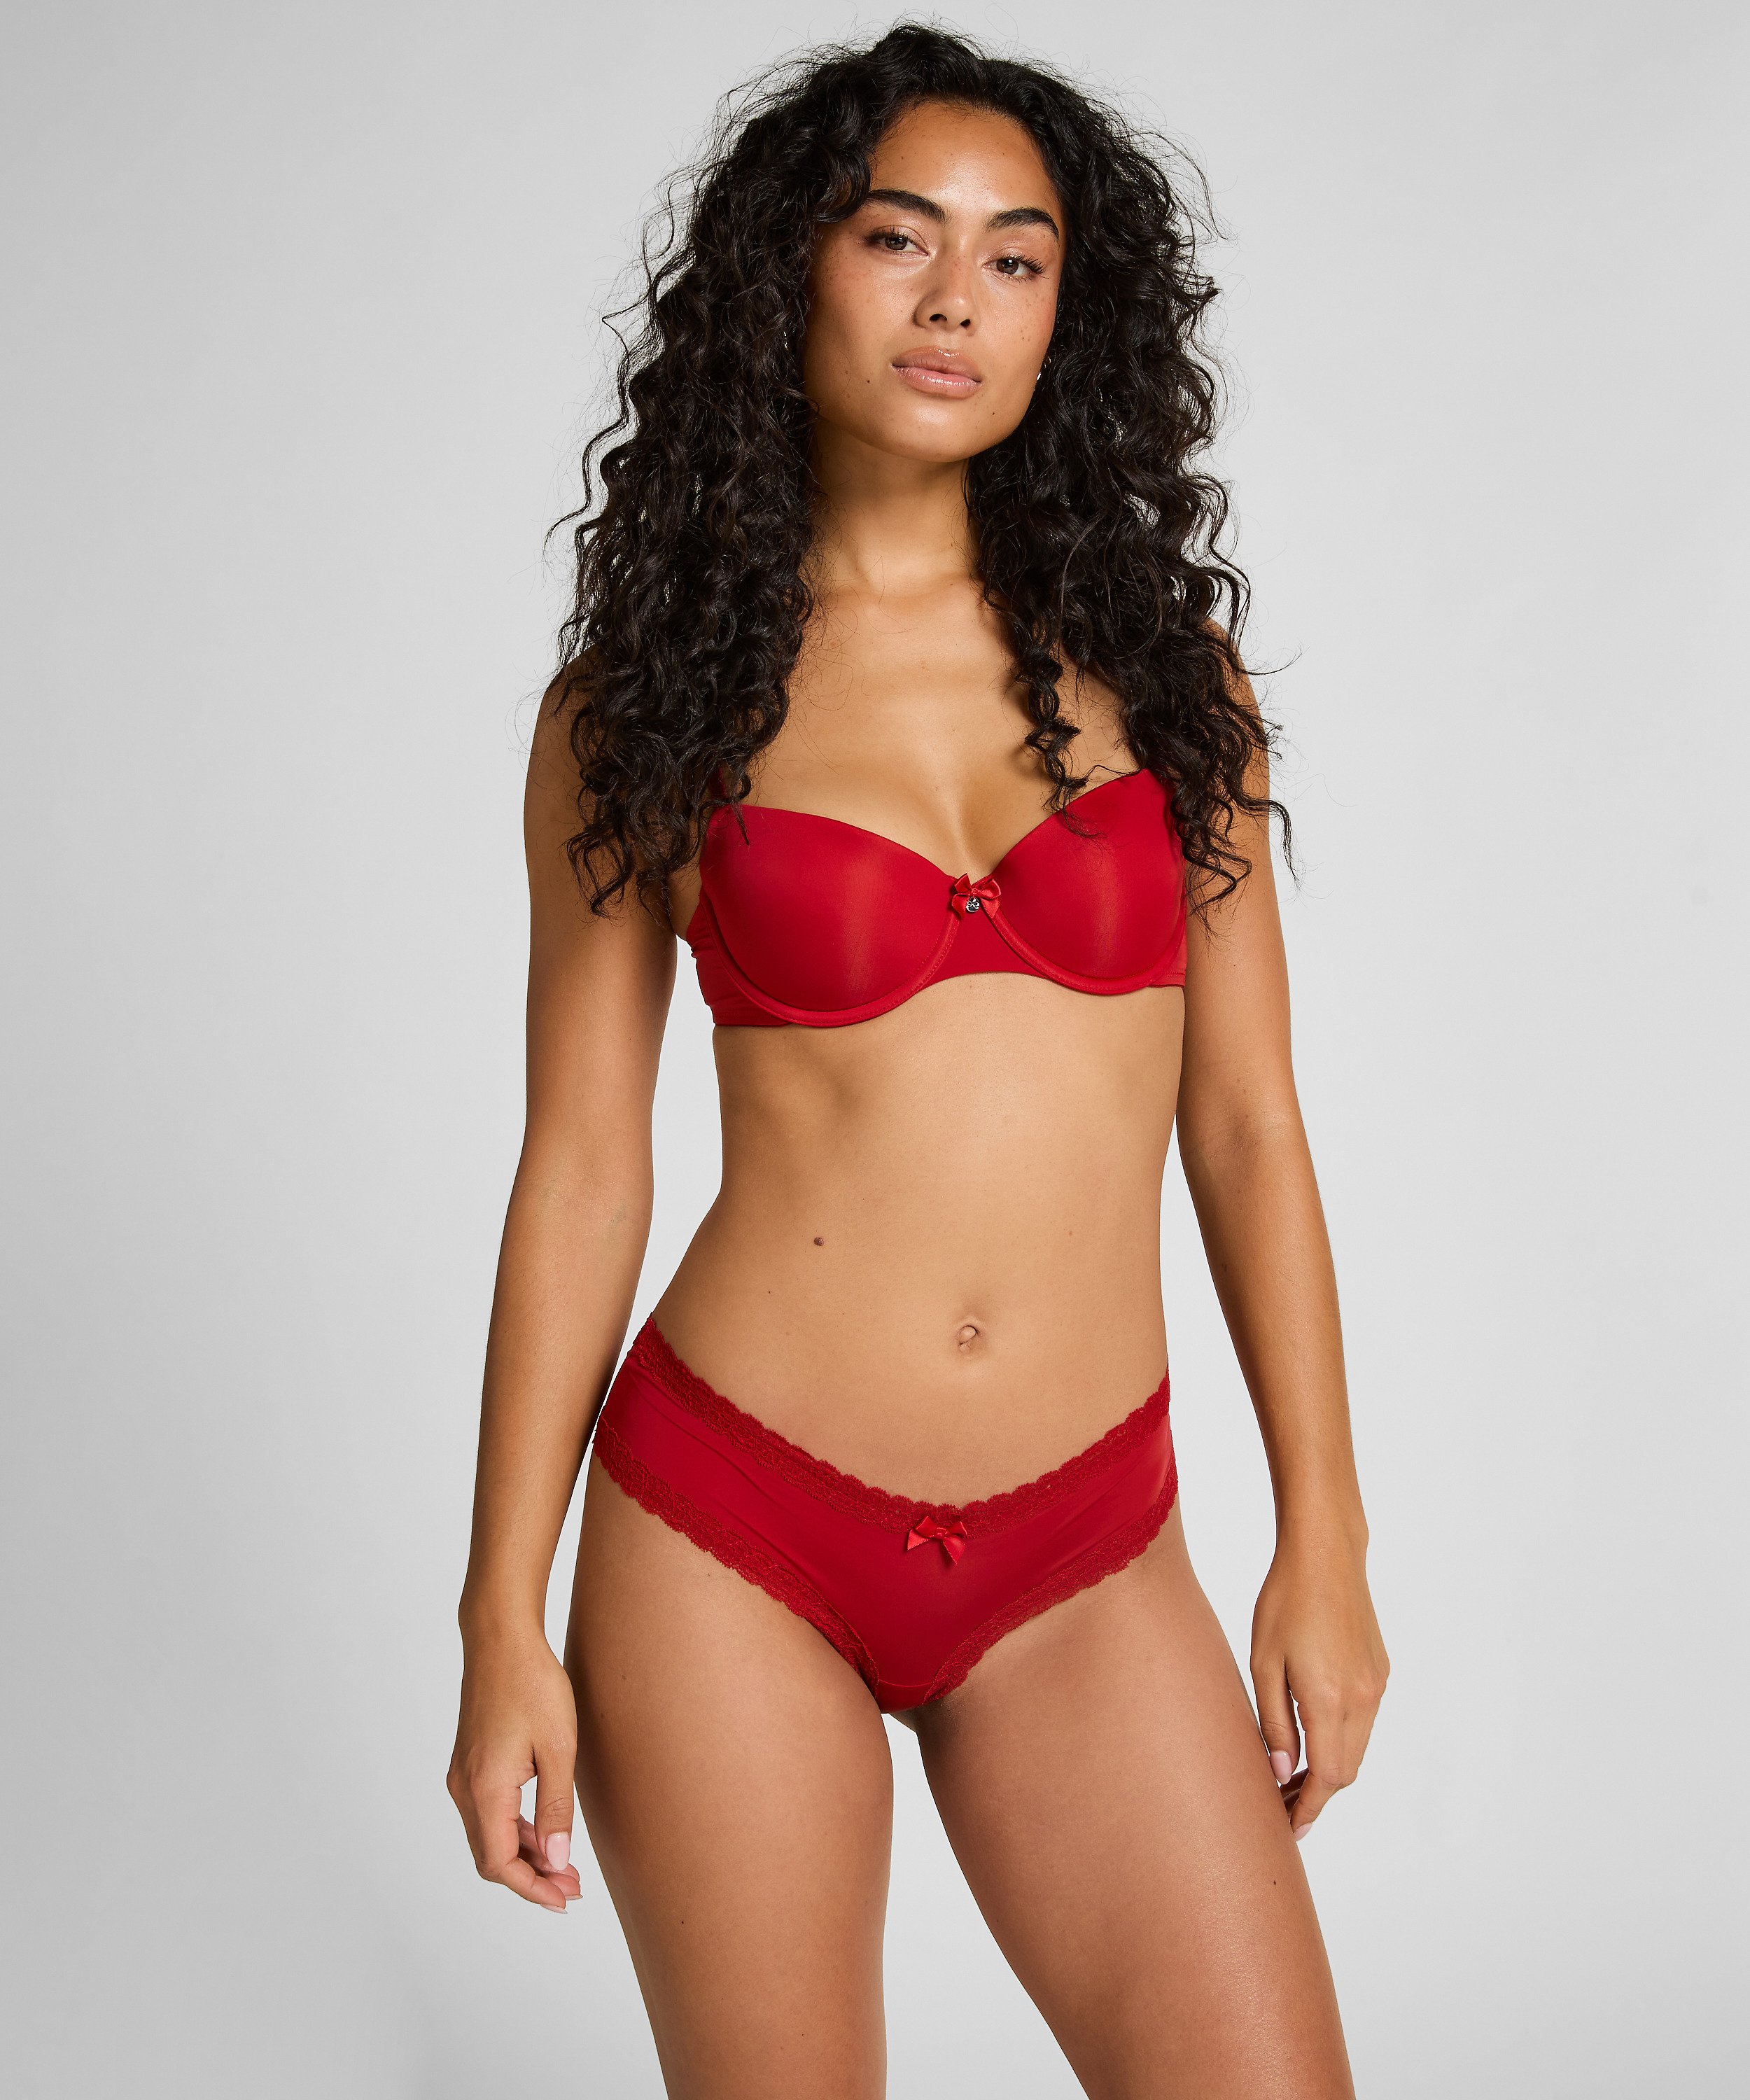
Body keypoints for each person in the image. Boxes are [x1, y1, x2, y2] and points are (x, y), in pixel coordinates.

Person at [447, 24, 1388, 2097]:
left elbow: (1247, 1125)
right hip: (731, 1533)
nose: (957, 298)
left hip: (1085, 1546)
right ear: (791, 268)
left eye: (1016, 257)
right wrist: (499, 1615)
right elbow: (583, 1167)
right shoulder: (644, 706)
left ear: (1070, 313)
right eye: (897, 238)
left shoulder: (1168, 680)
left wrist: (1322, 1532)